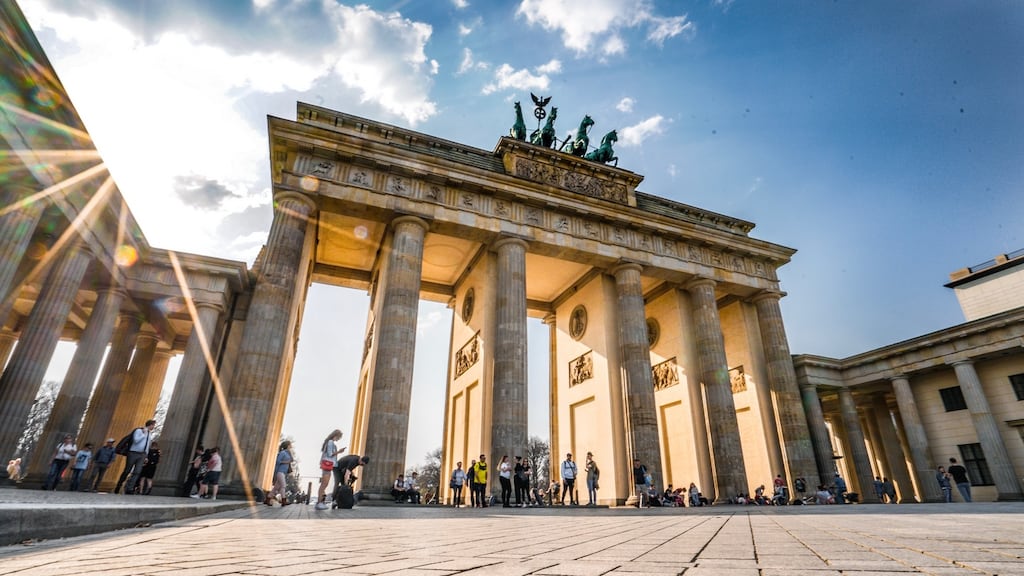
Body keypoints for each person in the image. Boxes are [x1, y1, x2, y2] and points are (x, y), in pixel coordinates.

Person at [115, 419, 156, 495]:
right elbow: (136, 440)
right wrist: (143, 434)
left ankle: (130, 488)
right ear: (150, 425)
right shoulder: (139, 431)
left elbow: (147, 445)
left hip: (142, 454)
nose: (153, 427)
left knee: (137, 472)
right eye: (153, 425)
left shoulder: (150, 434)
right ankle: (119, 484)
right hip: (133, 453)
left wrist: (146, 456)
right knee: (127, 470)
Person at [315, 429, 344, 510]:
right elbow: (330, 454)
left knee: (324, 484)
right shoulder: (331, 442)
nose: (339, 439)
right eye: (339, 437)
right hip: (328, 464)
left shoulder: (328, 442)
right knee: (324, 484)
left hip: (327, 464)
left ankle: (320, 502)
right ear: (336, 436)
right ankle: (319, 502)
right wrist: (339, 451)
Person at [267, 440, 293, 506]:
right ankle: (283, 500)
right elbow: (278, 461)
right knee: (283, 486)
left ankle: (267, 499)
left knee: (276, 488)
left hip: (283, 472)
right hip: (280, 471)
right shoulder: (282, 453)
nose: (291, 445)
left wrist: (290, 454)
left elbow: (291, 460)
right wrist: (286, 462)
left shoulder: (288, 453)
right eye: (290, 444)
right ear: (287, 445)